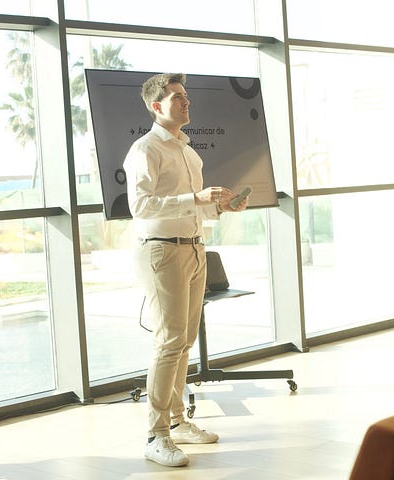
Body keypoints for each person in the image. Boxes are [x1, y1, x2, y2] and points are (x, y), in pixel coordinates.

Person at [123, 72, 248, 467]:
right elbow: (141, 206)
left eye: (186, 96)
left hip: (194, 248)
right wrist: (194, 197)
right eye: (177, 97)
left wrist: (220, 207)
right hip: (162, 251)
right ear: (156, 106)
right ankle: (156, 435)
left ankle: (177, 422)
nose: (186, 101)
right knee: (169, 341)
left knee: (184, 341)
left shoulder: (189, 153)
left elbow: (193, 207)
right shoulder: (145, 149)